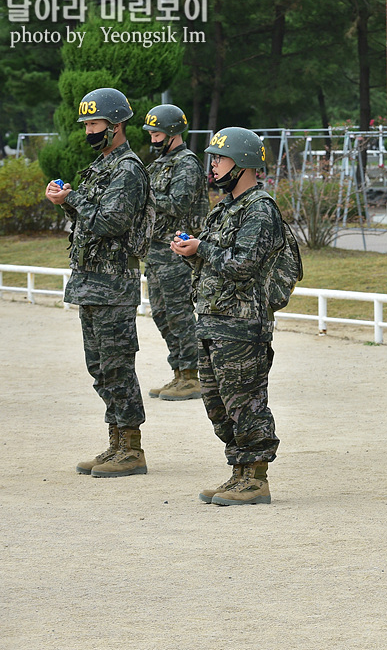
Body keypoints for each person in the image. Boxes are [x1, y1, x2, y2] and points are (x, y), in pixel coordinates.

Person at [46, 87, 153, 478]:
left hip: (113, 284)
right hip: (91, 282)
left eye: (95, 123)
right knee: (100, 367)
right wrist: (67, 200)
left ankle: (132, 448)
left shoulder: (128, 169)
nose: (89, 130)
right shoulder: (100, 166)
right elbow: (88, 223)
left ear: (117, 125)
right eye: (87, 124)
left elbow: (111, 222)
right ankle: (116, 443)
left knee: (117, 365)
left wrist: (71, 201)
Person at [172, 127, 282, 506]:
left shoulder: (260, 209)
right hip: (212, 319)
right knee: (217, 403)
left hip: (242, 324)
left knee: (245, 400)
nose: (214, 165)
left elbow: (242, 264)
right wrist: (192, 250)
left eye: (220, 158)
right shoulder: (225, 207)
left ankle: (255, 477)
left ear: (244, 162)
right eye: (213, 158)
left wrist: (202, 247)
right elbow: (215, 259)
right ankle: (238, 472)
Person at [142, 104, 209, 402]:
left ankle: (193, 376)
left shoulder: (187, 164)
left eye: (157, 133)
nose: (152, 139)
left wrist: (143, 195)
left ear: (171, 132)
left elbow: (179, 203)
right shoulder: (158, 163)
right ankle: (179, 372)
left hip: (177, 251)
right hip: (155, 251)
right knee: (162, 314)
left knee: (180, 314)